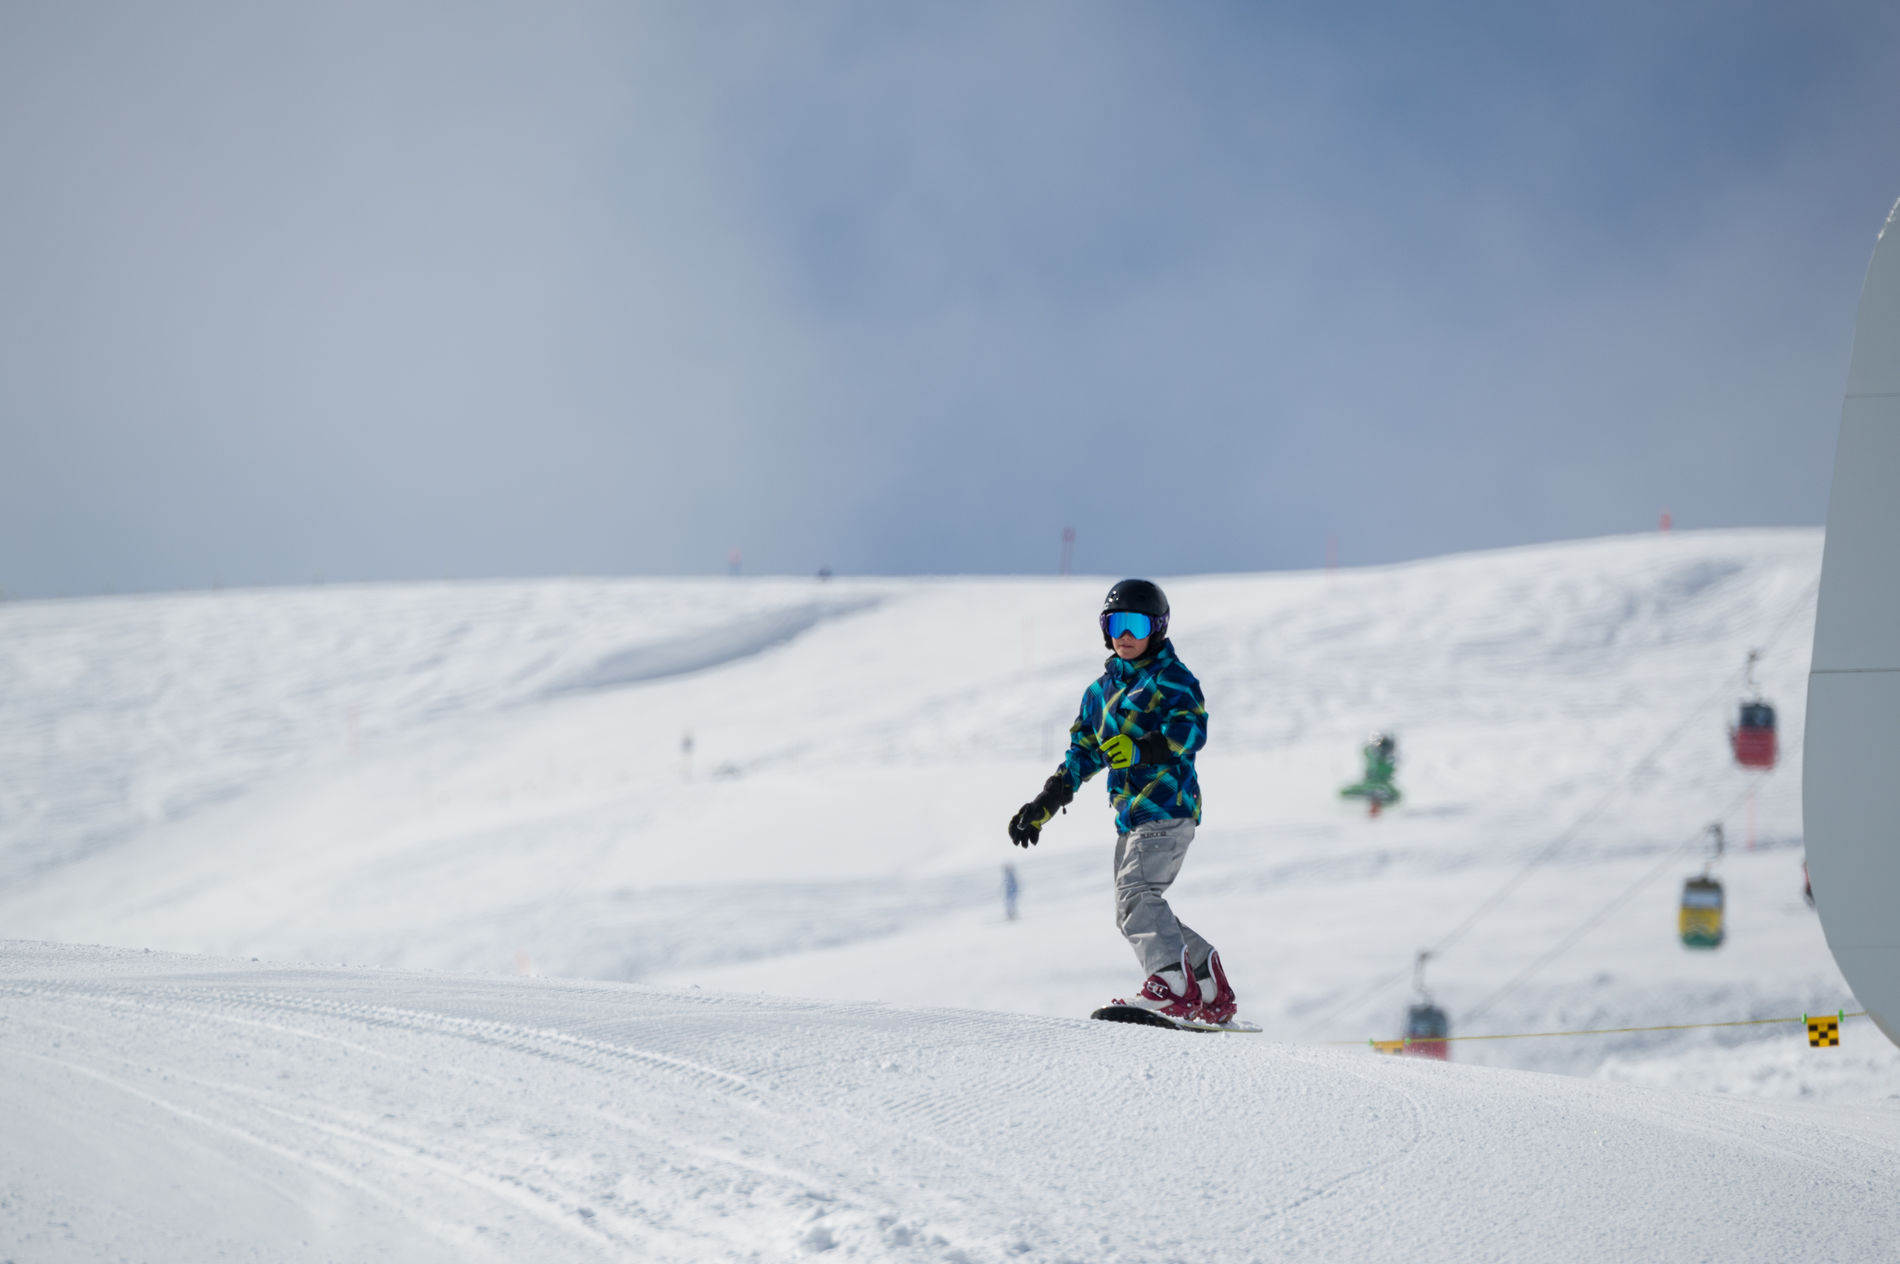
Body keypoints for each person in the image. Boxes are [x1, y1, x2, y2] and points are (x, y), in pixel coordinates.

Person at [1007, 579, 1238, 1026]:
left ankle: (1172, 985)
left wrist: (1142, 749)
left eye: (1137, 624)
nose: (1125, 635)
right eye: (1116, 624)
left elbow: (1192, 730)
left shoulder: (1171, 678)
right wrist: (1044, 804)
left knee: (1137, 896)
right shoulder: (1099, 694)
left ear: (1158, 628)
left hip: (1167, 806)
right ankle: (1206, 983)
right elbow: (1082, 755)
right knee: (1132, 905)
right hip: (1130, 816)